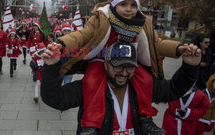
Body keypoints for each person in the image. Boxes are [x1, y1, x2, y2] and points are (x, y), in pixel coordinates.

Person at [54, 0, 188, 134]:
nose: (128, 9)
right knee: (91, 81)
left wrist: (178, 48)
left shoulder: (142, 23)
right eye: (123, 4)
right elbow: (82, 35)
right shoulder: (101, 18)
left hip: (128, 60)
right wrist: (63, 43)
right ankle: (91, 123)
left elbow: (157, 43)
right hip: (102, 59)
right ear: (114, 4)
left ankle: (145, 117)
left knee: (145, 80)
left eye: (133, 5)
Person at [41, 42, 201, 135]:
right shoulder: (90, 86)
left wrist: (190, 67)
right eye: (118, 66)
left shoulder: (142, 86)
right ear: (105, 63)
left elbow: (172, 90)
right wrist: (51, 67)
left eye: (129, 67)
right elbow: (55, 98)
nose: (124, 73)